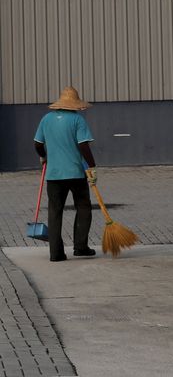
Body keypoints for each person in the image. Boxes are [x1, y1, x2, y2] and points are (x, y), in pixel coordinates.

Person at [33, 86, 98, 262]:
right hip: (76, 173)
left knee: (55, 212)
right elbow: (84, 146)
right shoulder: (77, 120)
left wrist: (43, 157)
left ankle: (56, 253)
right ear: (74, 104)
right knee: (83, 208)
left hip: (54, 175)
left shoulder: (46, 119)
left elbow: (38, 144)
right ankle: (81, 247)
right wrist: (92, 166)